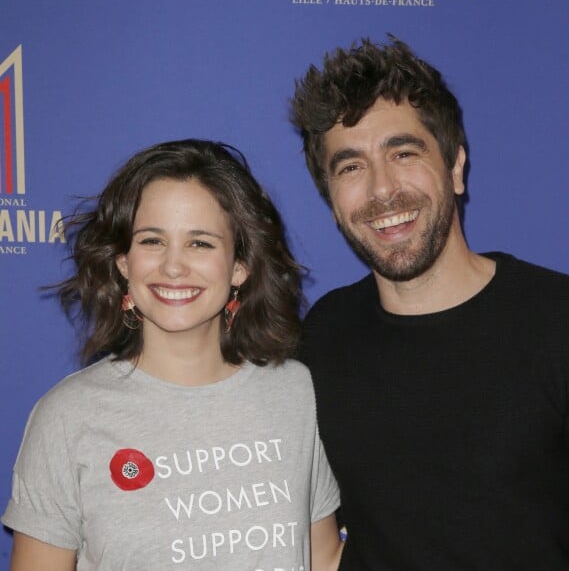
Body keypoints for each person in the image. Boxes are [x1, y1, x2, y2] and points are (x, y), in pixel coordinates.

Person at [290, 36, 569, 569]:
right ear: (332, 201)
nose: (382, 190)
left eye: (403, 153)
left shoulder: (566, 322)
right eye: (350, 167)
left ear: (456, 168)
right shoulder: (321, 336)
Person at [2, 139, 343, 570]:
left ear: (240, 266)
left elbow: (325, 558)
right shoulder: (68, 419)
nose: (174, 266)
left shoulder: (296, 392)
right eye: (152, 241)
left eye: (200, 243)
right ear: (124, 262)